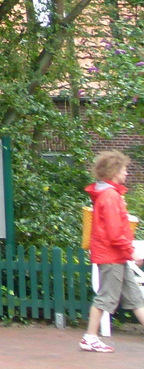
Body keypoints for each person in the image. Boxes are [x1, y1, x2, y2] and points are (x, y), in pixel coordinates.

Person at [81, 150, 144, 353]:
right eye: (124, 169)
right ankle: (90, 337)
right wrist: (131, 252)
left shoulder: (110, 195)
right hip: (111, 257)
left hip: (116, 256)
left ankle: (90, 337)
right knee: (105, 298)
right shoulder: (109, 196)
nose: (126, 173)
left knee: (135, 297)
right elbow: (115, 231)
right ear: (114, 171)